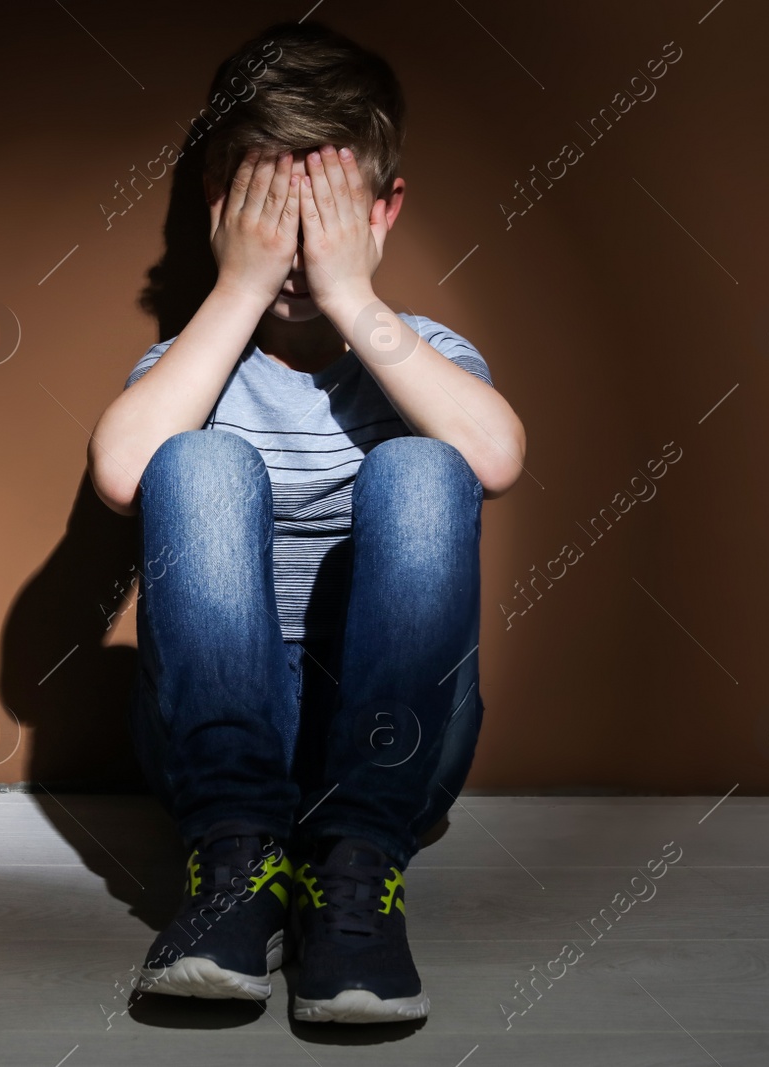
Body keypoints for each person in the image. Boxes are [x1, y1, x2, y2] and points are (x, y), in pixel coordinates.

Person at [87, 21, 525, 1024]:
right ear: (220, 208)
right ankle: (236, 867)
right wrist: (237, 288)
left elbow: (495, 457)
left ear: (381, 212)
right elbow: (120, 473)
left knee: (424, 462)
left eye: (319, 221)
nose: (293, 253)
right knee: (193, 458)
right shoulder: (192, 368)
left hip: (389, 727)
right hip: (214, 731)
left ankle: (354, 870)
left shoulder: (421, 351)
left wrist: (350, 293)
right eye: (269, 221)